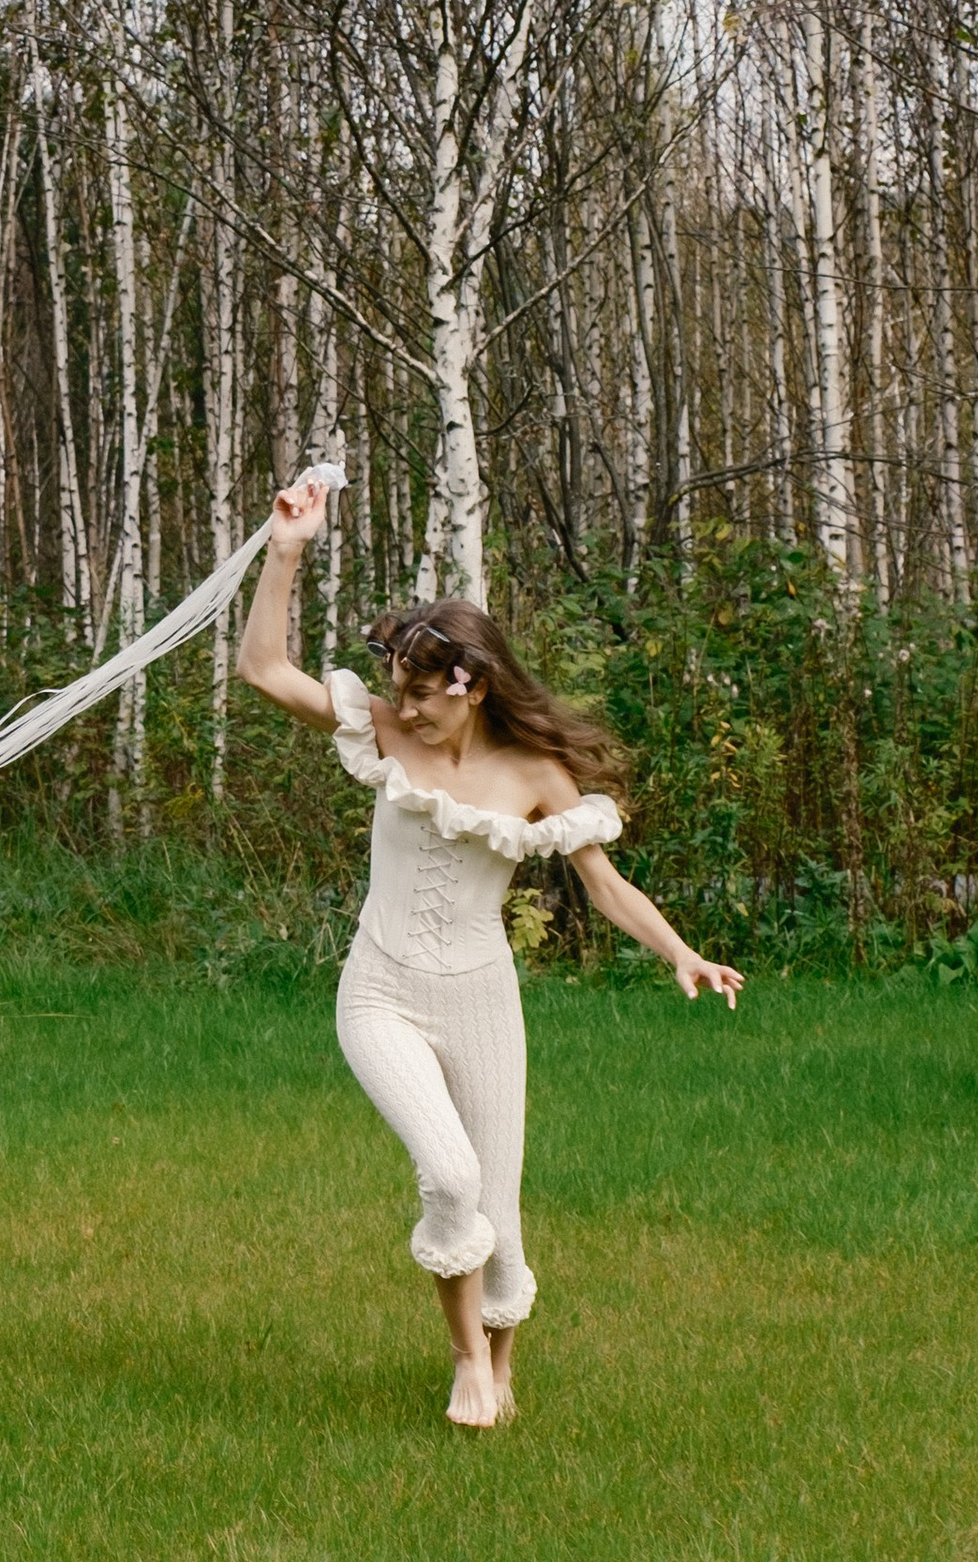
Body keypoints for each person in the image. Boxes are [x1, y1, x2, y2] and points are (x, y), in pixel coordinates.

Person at [236, 469, 741, 1429]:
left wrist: (680, 952)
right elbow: (264, 670)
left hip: (481, 1002)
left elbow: (604, 883)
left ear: (473, 687)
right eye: (399, 691)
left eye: (424, 696)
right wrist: (288, 553)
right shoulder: (382, 727)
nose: (406, 709)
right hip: (380, 989)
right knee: (450, 1176)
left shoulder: (537, 774)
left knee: (500, 1220)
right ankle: (468, 1359)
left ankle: (502, 1372)